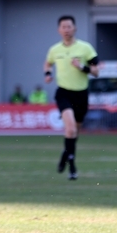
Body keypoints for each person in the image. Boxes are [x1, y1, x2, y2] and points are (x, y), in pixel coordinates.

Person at [44, 16, 99, 180]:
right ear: (59, 30)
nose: (66, 30)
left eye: (69, 26)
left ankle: (65, 155)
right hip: (64, 93)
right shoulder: (54, 50)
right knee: (70, 129)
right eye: (63, 27)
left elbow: (96, 72)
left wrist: (82, 67)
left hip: (81, 94)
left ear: (74, 28)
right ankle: (72, 168)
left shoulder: (85, 48)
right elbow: (48, 63)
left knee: (74, 133)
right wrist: (47, 74)